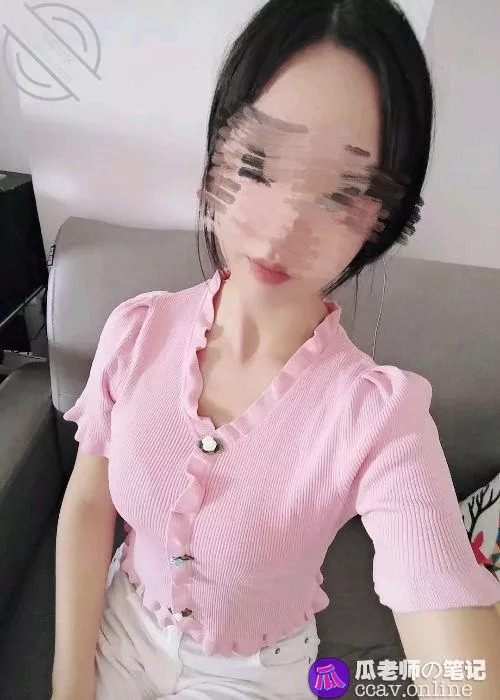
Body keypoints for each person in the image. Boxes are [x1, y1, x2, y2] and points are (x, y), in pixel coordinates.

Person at [51, 1, 500, 699]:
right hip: (124, 623)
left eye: (342, 192)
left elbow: (452, 638)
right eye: (258, 163)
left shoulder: (378, 419)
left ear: (383, 218)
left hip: (255, 672)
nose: (284, 227)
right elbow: (88, 503)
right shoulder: (136, 332)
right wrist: (69, 680)